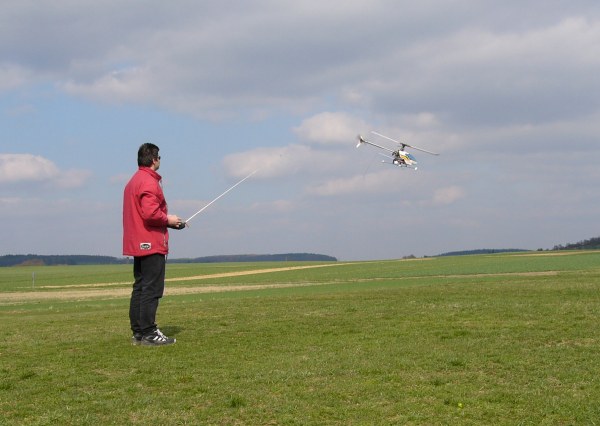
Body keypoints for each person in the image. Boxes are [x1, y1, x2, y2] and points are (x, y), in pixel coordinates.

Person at [123, 143, 184, 346]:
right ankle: (149, 332)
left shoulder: (133, 181)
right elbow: (150, 214)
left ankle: (139, 333)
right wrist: (168, 220)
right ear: (154, 159)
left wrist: (169, 222)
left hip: (138, 242)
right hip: (150, 242)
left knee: (140, 287)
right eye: (159, 157)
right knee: (152, 289)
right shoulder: (148, 181)